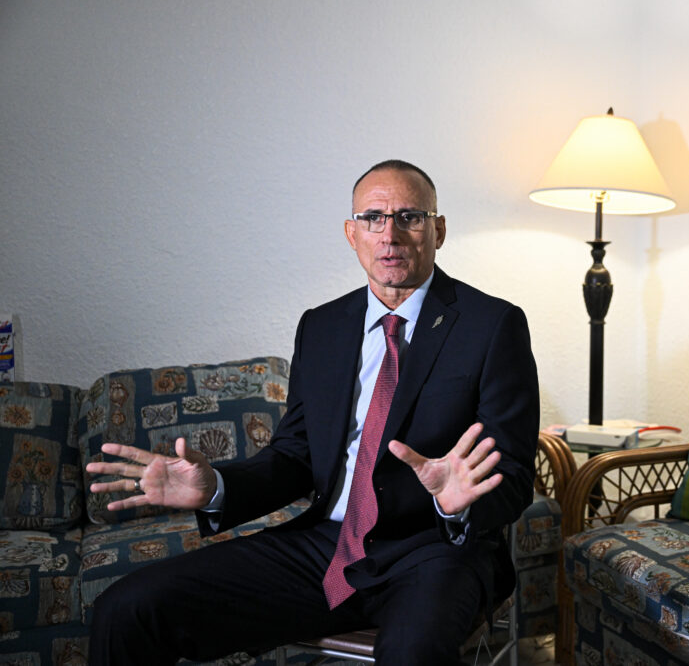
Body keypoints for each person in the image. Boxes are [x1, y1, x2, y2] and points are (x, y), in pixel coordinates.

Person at [85, 160, 540, 665]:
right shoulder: (322, 326)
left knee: (413, 652)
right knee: (127, 609)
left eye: (409, 217)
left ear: (439, 230)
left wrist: (457, 505)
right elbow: (296, 455)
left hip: (434, 551)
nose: (389, 234)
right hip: (326, 544)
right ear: (352, 233)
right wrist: (215, 488)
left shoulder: (492, 325)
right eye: (373, 218)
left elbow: (515, 474)